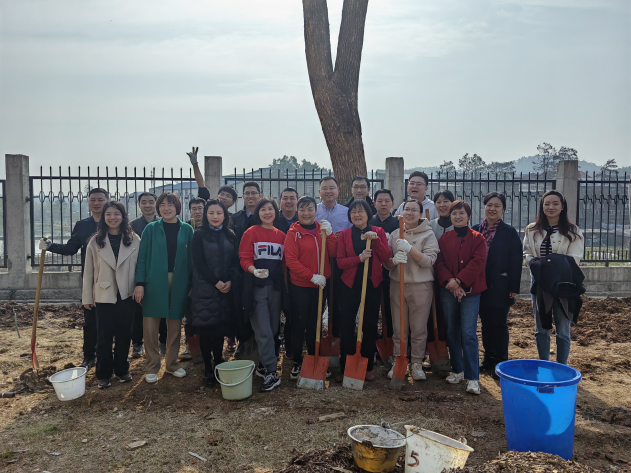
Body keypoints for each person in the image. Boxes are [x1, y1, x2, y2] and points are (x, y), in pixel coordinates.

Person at [39, 187, 109, 371]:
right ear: (88, 202)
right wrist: (50, 246)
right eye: (93, 199)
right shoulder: (82, 225)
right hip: (90, 278)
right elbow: (71, 249)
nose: (96, 203)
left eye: (100, 199)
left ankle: (110, 355)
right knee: (90, 319)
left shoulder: (114, 222)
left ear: (107, 201)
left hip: (113, 278)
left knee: (111, 319)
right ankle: (89, 356)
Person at [133, 192, 194, 384]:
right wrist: (140, 283)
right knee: (150, 326)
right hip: (154, 281)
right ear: (158, 208)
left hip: (180, 281)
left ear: (177, 207)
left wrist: (192, 284)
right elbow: (142, 258)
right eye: (163, 205)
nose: (166, 208)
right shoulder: (150, 229)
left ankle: (172, 364)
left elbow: (193, 260)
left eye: (171, 205)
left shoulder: (187, 229)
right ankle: (152, 365)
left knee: (174, 325)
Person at [82, 202, 140, 389]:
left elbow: (140, 266)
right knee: (103, 336)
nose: (112, 218)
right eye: (108, 214)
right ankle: (103, 374)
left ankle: (122, 369)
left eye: (117, 214)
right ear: (103, 217)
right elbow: (88, 272)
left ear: (123, 216)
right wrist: (87, 297)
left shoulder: (133, 239)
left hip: (126, 294)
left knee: (124, 334)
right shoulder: (95, 241)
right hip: (103, 295)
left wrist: (140, 287)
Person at [523, 190, 584, 365]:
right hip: (540, 283)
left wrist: (548, 264)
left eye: (555, 203)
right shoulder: (532, 230)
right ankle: (544, 364)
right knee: (541, 328)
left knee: (563, 328)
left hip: (563, 284)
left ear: (562, 206)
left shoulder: (573, 231)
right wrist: (539, 265)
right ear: (542, 206)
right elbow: (527, 253)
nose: (551, 207)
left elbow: (574, 259)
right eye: (547, 203)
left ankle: (561, 367)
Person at [383, 199, 439, 381]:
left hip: (420, 286)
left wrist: (410, 249)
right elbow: (387, 263)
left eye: (414, 210)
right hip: (397, 285)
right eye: (407, 209)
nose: (410, 213)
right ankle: (399, 360)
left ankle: (416, 363)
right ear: (401, 212)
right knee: (399, 327)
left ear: (420, 214)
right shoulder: (395, 234)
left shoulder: (428, 234)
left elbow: (429, 261)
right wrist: (394, 261)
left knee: (418, 327)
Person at [335, 200, 390, 383]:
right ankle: (346, 365)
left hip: (372, 284)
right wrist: (359, 258)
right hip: (349, 285)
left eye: (361, 211)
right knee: (346, 324)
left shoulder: (378, 232)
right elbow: (340, 262)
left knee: (370, 325)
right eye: (353, 212)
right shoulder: (344, 235)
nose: (357, 215)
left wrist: (375, 241)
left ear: (368, 214)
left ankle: (367, 366)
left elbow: (386, 257)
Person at [435, 200, 487, 395]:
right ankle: (458, 370)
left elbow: (478, 262)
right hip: (448, 289)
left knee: (468, 333)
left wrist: (460, 281)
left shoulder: (478, 238)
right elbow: (439, 262)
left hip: (471, 290)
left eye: (461, 213)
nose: (457, 216)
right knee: (452, 331)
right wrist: (451, 282)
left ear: (468, 216)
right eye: (454, 213)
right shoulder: (444, 238)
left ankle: (473, 377)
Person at [472, 192, 523, 379]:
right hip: (480, 285)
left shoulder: (509, 232)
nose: (492, 209)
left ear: (503, 209)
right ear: (484, 207)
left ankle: (500, 362)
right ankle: (488, 358)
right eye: (489, 205)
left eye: (497, 206)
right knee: (485, 323)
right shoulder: (475, 229)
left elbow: (516, 260)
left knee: (499, 324)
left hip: (501, 285)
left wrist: (514, 287)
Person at [284, 196, 336, 378]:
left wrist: (330, 235)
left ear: (316, 211)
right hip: (301, 286)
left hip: (320, 286)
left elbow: (333, 252)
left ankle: (314, 358)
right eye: (302, 209)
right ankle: (298, 361)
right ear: (297, 212)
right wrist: (311, 276)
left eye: (310, 209)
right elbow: (291, 261)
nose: (306, 213)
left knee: (315, 323)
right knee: (299, 323)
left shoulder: (322, 230)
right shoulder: (293, 233)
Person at [190, 200, 240, 387]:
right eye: (211, 213)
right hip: (206, 288)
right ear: (206, 215)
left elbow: (235, 261)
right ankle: (207, 369)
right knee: (206, 330)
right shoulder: (199, 235)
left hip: (225, 288)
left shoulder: (231, 235)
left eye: (219, 213)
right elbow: (199, 263)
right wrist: (216, 282)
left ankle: (218, 362)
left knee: (219, 329)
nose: (215, 216)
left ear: (225, 215)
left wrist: (229, 281)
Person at [239, 198, 287, 392]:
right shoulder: (251, 232)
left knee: (274, 328)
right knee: (263, 329)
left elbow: (285, 263)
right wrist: (254, 270)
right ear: (258, 212)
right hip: (257, 288)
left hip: (276, 288)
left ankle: (263, 364)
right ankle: (271, 371)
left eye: (271, 209)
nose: (267, 212)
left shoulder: (282, 235)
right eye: (263, 209)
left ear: (276, 212)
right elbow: (244, 258)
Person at [129, 191, 167, 359]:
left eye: (151, 202)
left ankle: (163, 340)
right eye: (144, 202)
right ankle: (137, 343)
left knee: (163, 308)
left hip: (160, 273)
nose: (147, 205)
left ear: (156, 204)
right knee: (137, 310)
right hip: (138, 272)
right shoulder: (132, 226)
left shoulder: (164, 223)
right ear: (139, 205)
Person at [369, 189, 399, 358]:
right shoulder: (369, 222)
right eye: (380, 201)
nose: (383, 204)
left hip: (391, 272)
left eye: (387, 201)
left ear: (392, 204)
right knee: (372, 309)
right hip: (372, 272)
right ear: (374, 204)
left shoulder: (397, 224)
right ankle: (372, 343)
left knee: (390, 309)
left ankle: (390, 340)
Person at [274, 188, 299, 359]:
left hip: (296, 274)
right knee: (275, 312)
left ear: (297, 201)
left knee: (292, 312)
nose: (289, 201)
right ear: (280, 201)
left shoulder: (302, 219)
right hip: (276, 273)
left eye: (292, 198)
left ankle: (290, 347)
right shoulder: (274, 220)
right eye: (285, 198)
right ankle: (275, 347)